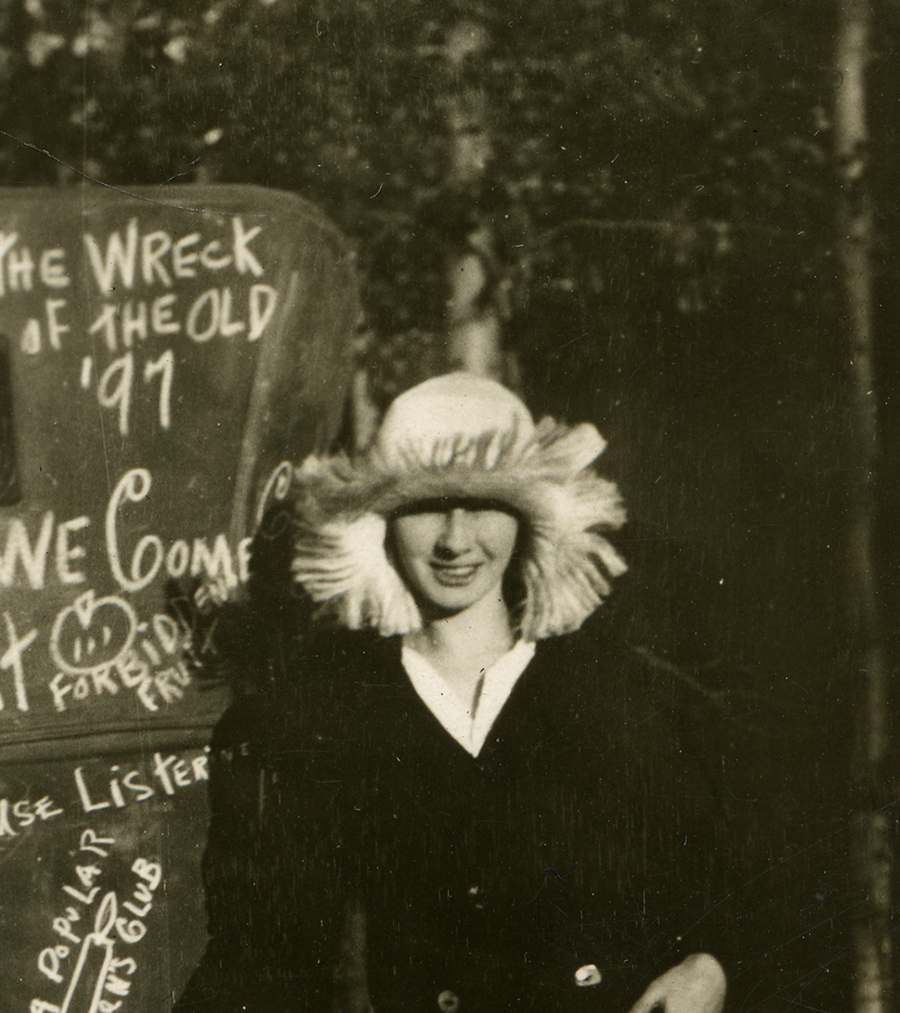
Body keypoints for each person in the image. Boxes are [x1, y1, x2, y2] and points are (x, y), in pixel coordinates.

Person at [176, 373, 733, 1013]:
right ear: (380, 523)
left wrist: (711, 962)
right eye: (425, 506)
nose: (455, 540)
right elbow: (263, 958)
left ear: (526, 520)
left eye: (484, 506)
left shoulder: (617, 693)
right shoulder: (321, 719)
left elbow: (727, 874)